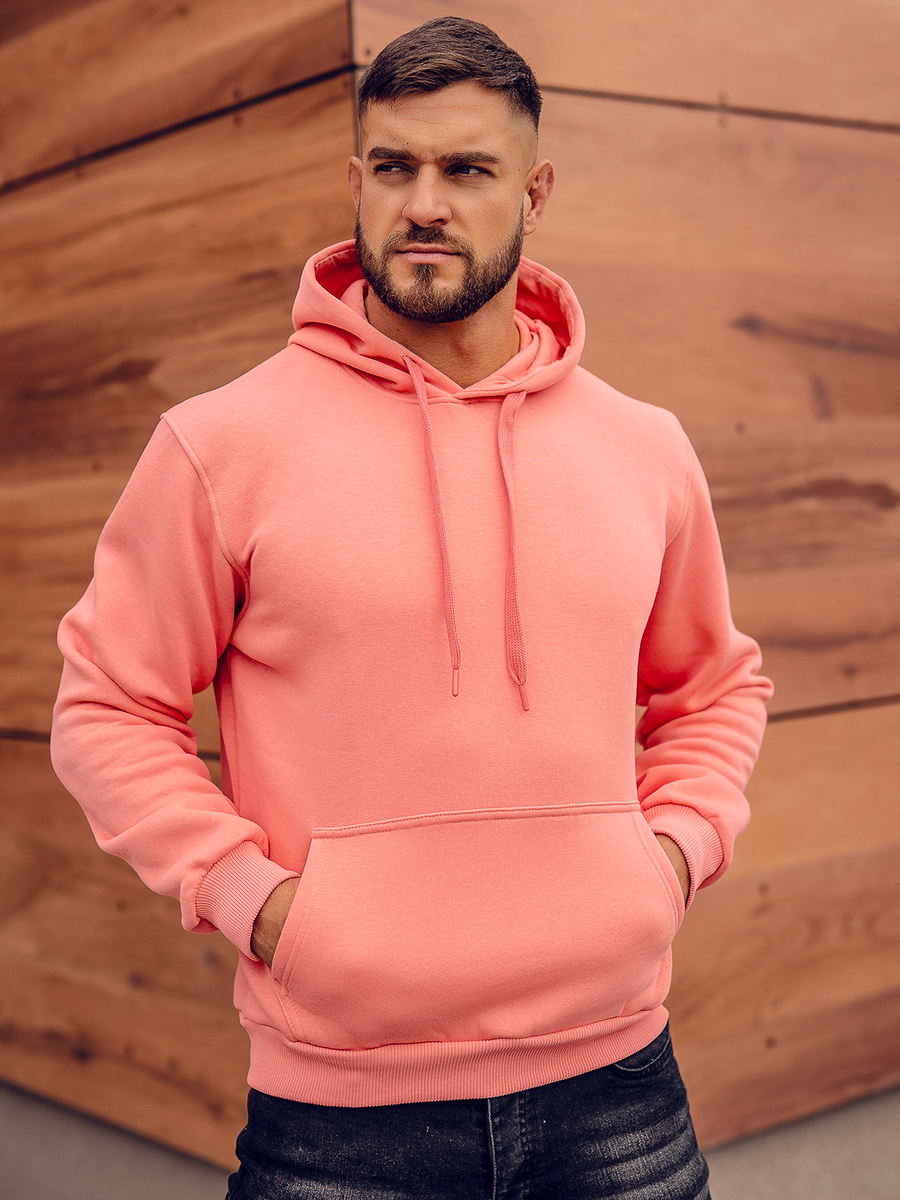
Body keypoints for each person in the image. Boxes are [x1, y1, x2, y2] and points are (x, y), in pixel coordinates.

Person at [51, 16, 773, 1199]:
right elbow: (106, 708)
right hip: (340, 1116)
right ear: (357, 182)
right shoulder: (222, 445)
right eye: (395, 167)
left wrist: (670, 859)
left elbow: (713, 689)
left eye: (468, 169)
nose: (424, 204)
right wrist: (259, 903)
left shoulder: (643, 449)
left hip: (616, 1090)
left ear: (534, 192)